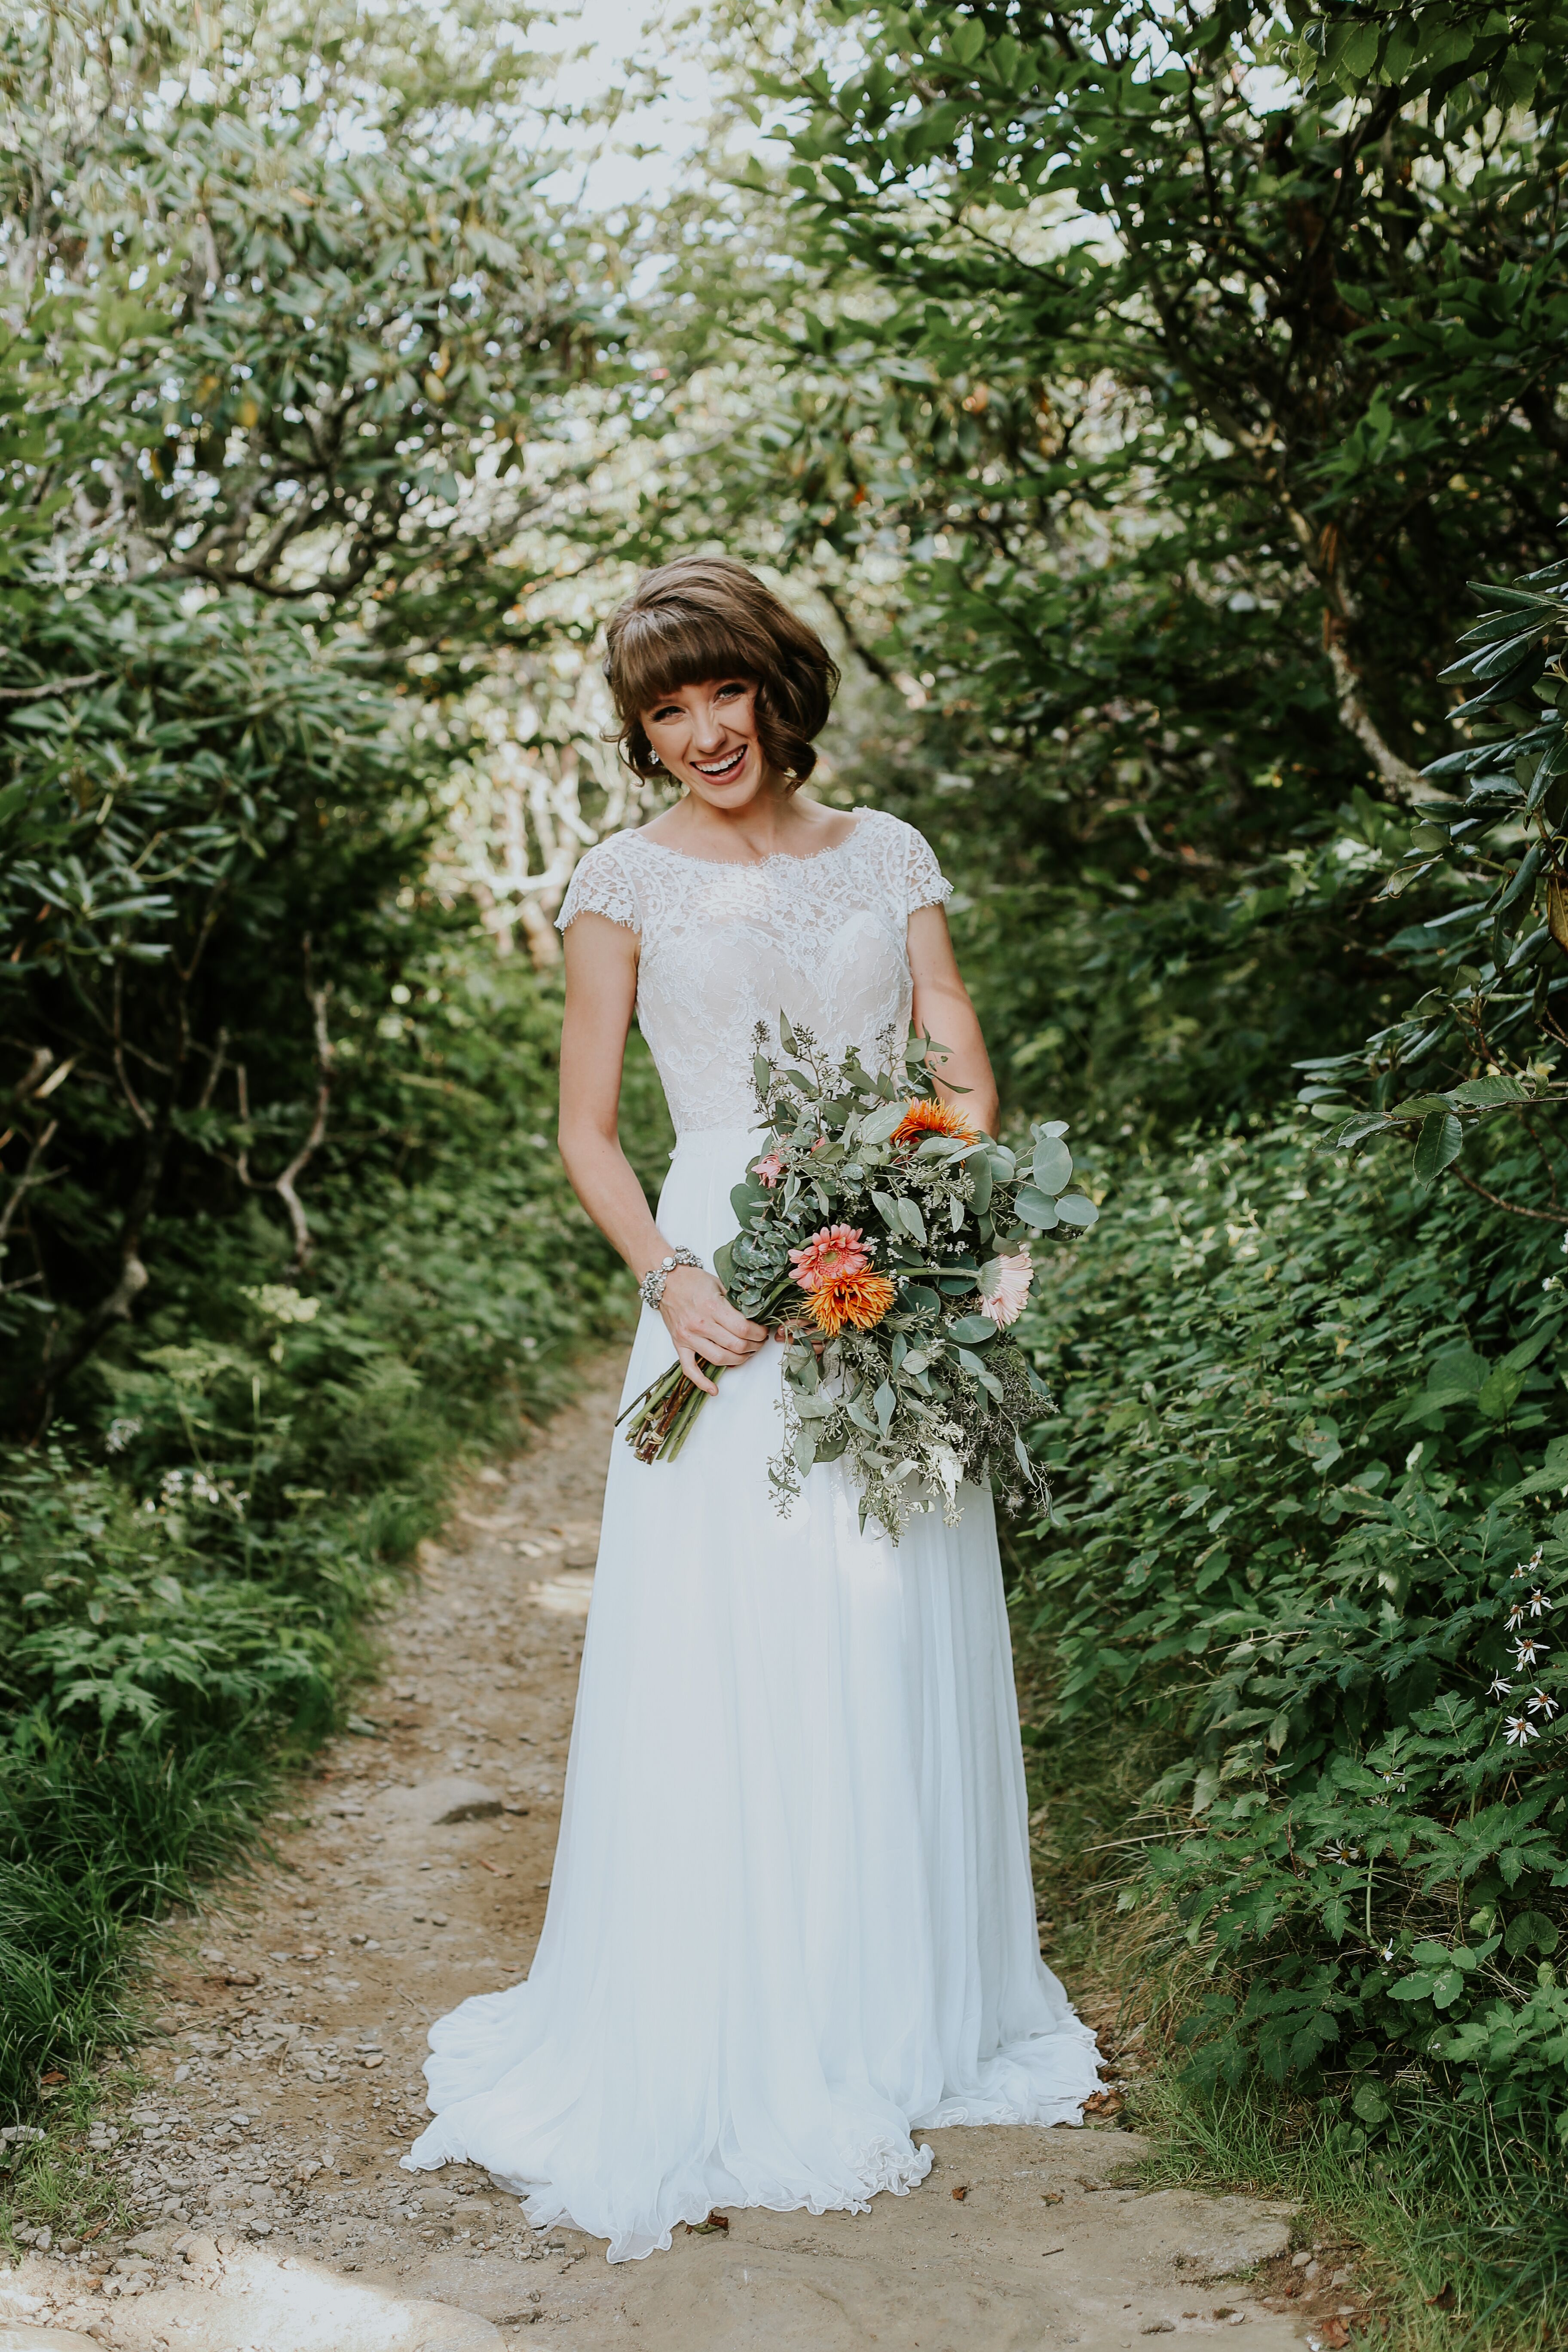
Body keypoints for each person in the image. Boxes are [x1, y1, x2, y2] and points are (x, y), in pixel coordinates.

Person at [402, 556, 1099, 2262]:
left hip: (890, 1270)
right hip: (722, 1285)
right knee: (738, 1639)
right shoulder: (620, 877)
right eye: (666, 710)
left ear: (779, 687)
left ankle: (906, 2008)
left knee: (893, 1619)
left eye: (723, 692)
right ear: (642, 735)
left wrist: (949, 1208)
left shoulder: (890, 856)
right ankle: (739, 1996)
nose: (703, 730)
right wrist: (670, 1277)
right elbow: (586, 1126)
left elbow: (956, 1060)